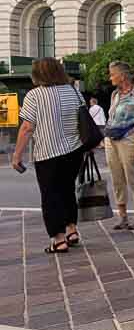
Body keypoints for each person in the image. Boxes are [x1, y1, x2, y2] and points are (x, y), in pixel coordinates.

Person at [12, 58, 85, 253]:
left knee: (50, 195)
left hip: (48, 153)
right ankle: (72, 230)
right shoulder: (74, 91)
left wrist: (16, 155)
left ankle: (58, 239)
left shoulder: (34, 95)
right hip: (74, 151)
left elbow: (27, 127)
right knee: (68, 189)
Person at [105, 61, 134, 231]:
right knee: (116, 178)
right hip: (112, 139)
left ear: (122, 76)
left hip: (130, 139)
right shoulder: (114, 95)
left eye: (112, 74)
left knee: (133, 177)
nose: (110, 77)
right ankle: (122, 215)